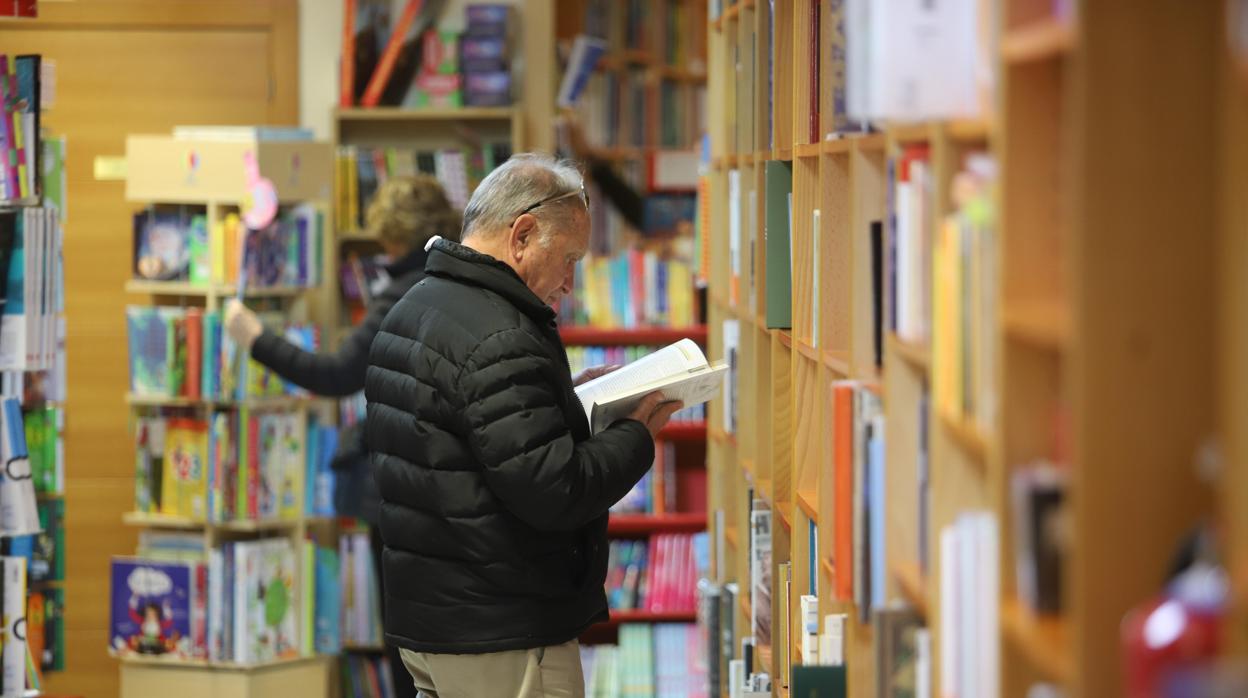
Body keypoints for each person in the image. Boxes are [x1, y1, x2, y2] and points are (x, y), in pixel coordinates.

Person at [365, 153, 683, 698]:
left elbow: (466, 449)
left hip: (432, 624)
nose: (569, 283)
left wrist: (566, 398)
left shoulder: (416, 308)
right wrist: (635, 433)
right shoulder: (501, 335)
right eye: (568, 259)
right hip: (502, 632)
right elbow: (555, 490)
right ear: (522, 235)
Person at [224, 174, 460, 698]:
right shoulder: (453, 284)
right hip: (444, 488)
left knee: (403, 640)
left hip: (399, 490)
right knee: (436, 640)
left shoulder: (402, 291)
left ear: (394, 233)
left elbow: (335, 374)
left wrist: (255, 339)